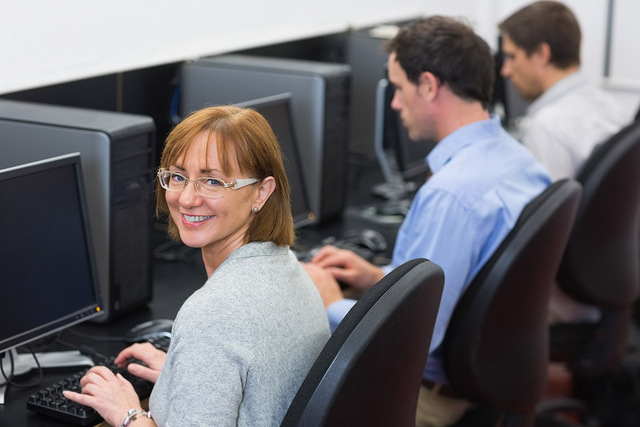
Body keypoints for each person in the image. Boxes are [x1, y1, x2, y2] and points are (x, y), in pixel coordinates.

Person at [303, 16, 551, 427]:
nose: (396, 104)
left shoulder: (450, 195)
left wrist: (330, 305)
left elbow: (413, 338)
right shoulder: (519, 161)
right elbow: (464, 277)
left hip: (434, 399)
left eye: (399, 88)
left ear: (430, 86)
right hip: (499, 370)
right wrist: (378, 277)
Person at [63, 106, 330, 426]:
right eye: (177, 177)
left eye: (213, 181)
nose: (187, 198)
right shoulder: (288, 268)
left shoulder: (214, 312)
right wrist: (187, 373)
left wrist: (128, 414)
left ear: (262, 191)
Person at [498, 1, 633, 324]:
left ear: (542, 55)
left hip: (566, 303)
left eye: (512, 56)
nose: (505, 70)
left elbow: (543, 235)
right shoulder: (611, 106)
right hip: (613, 278)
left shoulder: (549, 127)